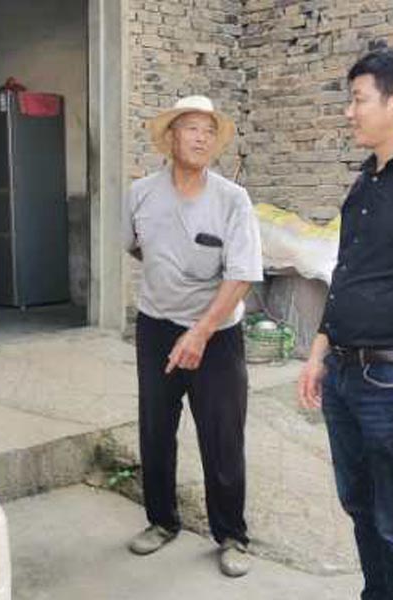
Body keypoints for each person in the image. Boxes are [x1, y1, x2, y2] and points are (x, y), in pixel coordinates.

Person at [298, 47, 393, 600]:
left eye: (358, 99)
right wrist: (318, 352)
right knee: (361, 506)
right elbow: (347, 273)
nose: (349, 112)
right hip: (344, 374)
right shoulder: (367, 181)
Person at [123, 95, 262, 577]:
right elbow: (135, 245)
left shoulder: (232, 199)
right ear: (171, 138)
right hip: (156, 327)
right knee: (156, 429)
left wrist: (200, 331)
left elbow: (241, 274)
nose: (202, 138)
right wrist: (172, 283)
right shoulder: (140, 193)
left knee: (222, 436)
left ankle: (232, 535)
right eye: (191, 128)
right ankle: (161, 521)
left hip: (217, 334)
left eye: (209, 130)